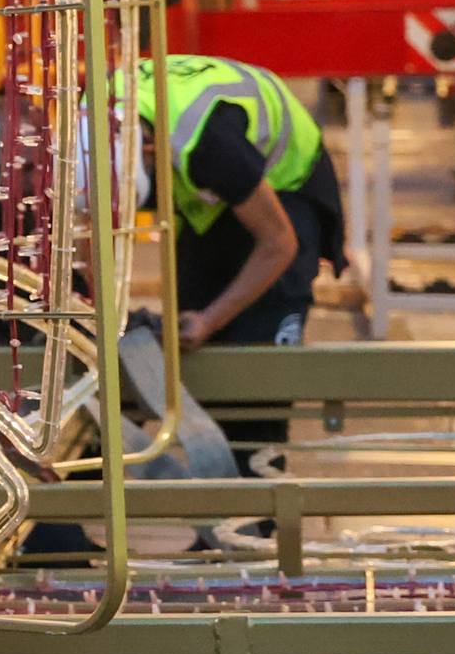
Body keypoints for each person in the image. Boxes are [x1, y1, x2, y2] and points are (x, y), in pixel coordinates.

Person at [128, 53, 348, 470]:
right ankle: (218, 511)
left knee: (255, 372)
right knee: (193, 356)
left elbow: (279, 244)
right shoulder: (86, 122)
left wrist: (211, 319)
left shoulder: (207, 142)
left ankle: (260, 524)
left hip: (284, 188)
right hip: (204, 189)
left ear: (150, 149)